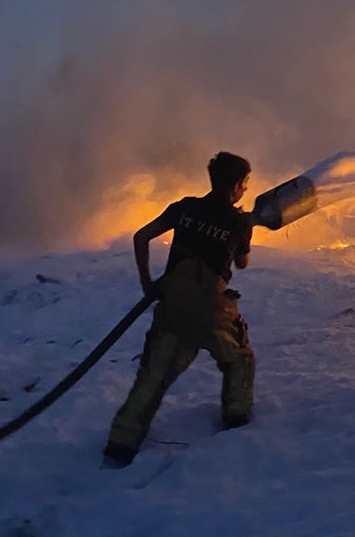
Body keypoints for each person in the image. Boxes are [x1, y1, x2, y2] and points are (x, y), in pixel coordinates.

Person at [103, 152, 257, 467]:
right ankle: (237, 418)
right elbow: (241, 263)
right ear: (237, 186)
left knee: (154, 373)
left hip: (172, 303)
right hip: (212, 309)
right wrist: (246, 228)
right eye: (245, 184)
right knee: (238, 359)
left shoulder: (184, 207)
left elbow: (141, 237)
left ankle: (121, 442)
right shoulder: (239, 221)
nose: (245, 190)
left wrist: (148, 283)